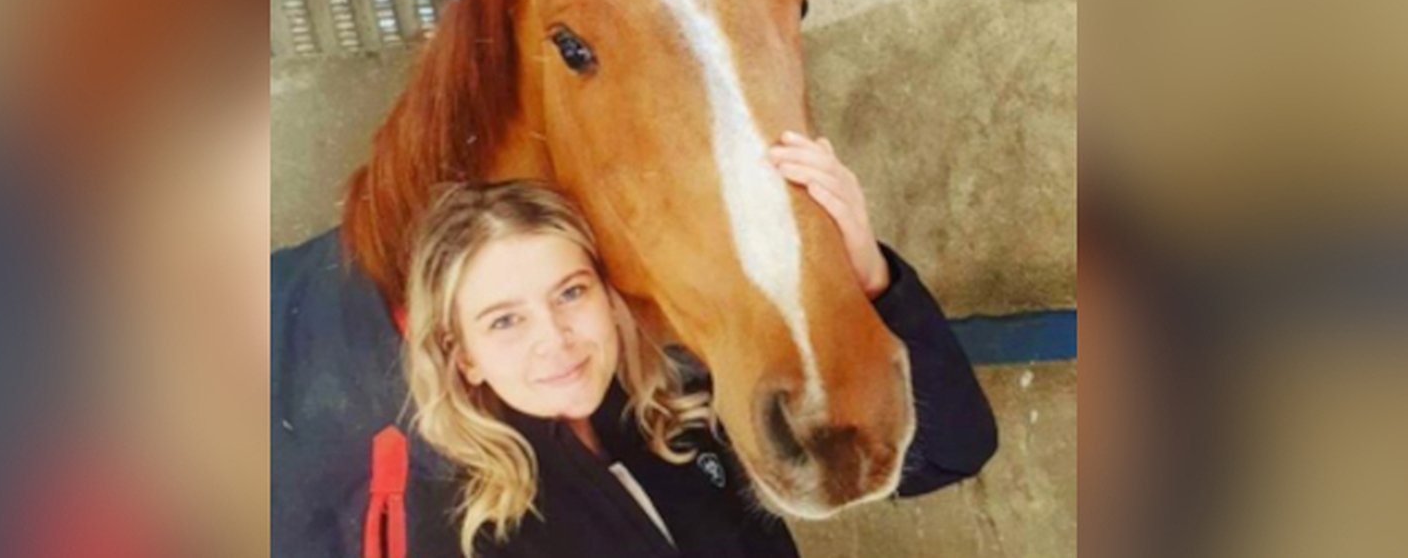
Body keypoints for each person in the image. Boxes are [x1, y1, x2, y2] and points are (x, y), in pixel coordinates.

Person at [401, 132, 998, 558]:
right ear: (464, 356)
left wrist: (873, 280)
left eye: (571, 293)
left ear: (609, 296)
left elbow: (950, 452)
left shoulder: (687, 415)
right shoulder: (459, 528)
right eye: (505, 321)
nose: (554, 339)